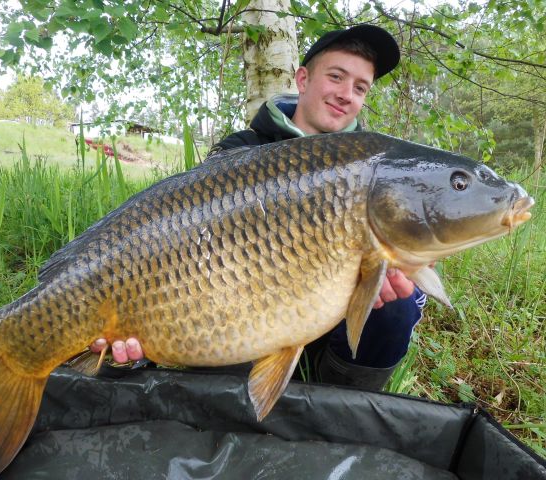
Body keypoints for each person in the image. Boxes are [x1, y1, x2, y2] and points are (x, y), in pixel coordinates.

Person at [92, 24, 427, 390]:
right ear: (303, 79)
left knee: (398, 303)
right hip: (243, 315)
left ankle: (339, 407)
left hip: (331, 336)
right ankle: (230, 396)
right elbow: (188, 242)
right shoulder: (241, 150)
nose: (346, 94)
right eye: (336, 77)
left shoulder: (378, 170)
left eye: (360, 87)